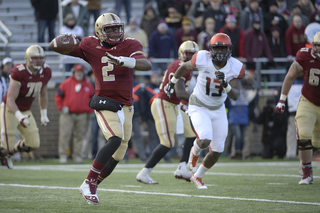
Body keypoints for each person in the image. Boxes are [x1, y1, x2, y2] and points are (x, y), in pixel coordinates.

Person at [51, 13, 152, 204]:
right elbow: (55, 46)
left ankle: (93, 184)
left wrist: (124, 61)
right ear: (99, 31)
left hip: (127, 105)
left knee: (118, 155)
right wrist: (63, 40)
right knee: (114, 139)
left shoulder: (130, 44)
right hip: (105, 102)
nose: (115, 32)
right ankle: (89, 182)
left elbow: (146, 64)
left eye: (117, 28)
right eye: (110, 29)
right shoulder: (90, 44)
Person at [164, 33, 245, 189]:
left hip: (218, 108)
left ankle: (198, 176)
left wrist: (225, 84)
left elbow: (235, 95)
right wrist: (172, 82)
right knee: (204, 139)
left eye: (223, 48)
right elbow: (183, 67)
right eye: (217, 48)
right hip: (198, 104)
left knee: (218, 149)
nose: (220, 52)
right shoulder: (202, 58)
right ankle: (194, 152)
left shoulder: (236, 66)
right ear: (211, 50)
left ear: (229, 50)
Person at [136, 41, 199, 184]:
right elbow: (180, 92)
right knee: (168, 143)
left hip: (175, 104)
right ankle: (144, 173)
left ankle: (182, 168)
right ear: (181, 54)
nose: (190, 57)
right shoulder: (179, 65)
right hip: (164, 103)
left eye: (193, 54)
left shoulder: (189, 68)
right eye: (188, 53)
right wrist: (200, 102)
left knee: (191, 135)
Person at [276, 32, 320, 185]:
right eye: (316, 45)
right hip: (308, 101)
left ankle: (304, 161)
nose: (318, 49)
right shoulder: (304, 56)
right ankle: (307, 173)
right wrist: (282, 100)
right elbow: (290, 76)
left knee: (316, 142)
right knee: (304, 134)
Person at [0, 45, 51, 169]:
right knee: (6, 145)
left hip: (25, 110)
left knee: (33, 143)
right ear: (28, 59)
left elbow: (43, 95)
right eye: (35, 58)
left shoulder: (46, 71)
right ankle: (5, 152)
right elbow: (10, 99)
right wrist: (19, 117)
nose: (38, 61)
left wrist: (44, 115)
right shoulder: (19, 71)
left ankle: (7, 155)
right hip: (9, 109)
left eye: (41, 58)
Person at [55, 64, 94, 164]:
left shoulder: (88, 85)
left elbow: (93, 99)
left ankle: (78, 156)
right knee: (65, 135)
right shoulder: (66, 83)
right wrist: (61, 107)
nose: (79, 73)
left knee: (80, 136)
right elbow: (58, 96)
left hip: (82, 115)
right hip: (67, 114)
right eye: (78, 71)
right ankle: (63, 155)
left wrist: (90, 111)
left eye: (81, 71)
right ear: (74, 72)